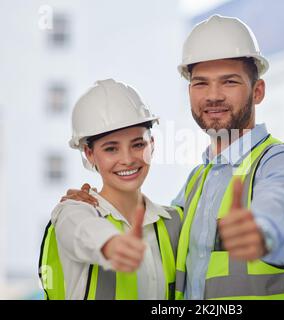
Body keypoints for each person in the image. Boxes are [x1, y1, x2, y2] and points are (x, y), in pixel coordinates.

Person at [60, 15, 284, 300]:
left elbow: (282, 206)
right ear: (189, 92)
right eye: (201, 83)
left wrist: (261, 230)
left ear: (258, 91)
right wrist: (97, 205)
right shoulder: (197, 182)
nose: (213, 96)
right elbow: (160, 229)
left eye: (229, 82)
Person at [39, 79, 182, 300]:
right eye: (111, 149)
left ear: (152, 145)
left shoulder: (174, 222)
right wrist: (110, 244)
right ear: (89, 153)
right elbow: (81, 230)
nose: (127, 159)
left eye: (138, 144)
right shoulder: (74, 211)